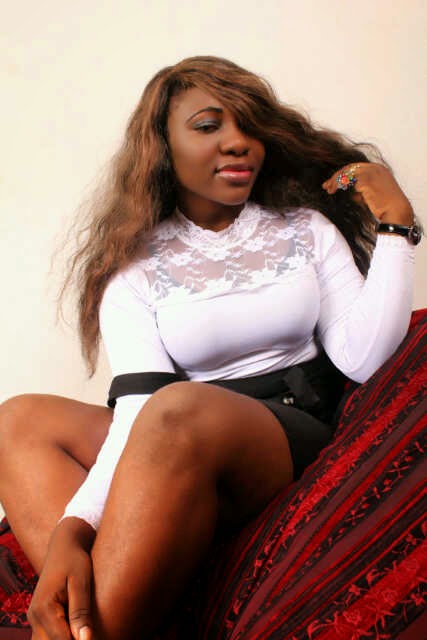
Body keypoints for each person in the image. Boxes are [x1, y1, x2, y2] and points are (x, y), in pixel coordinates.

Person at [0, 56, 419, 640]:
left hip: (281, 429)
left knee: (180, 408)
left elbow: (365, 359)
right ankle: (93, 619)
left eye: (250, 127)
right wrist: (73, 529)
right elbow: (137, 413)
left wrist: (396, 227)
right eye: (208, 126)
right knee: (17, 421)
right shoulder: (133, 263)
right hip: (169, 436)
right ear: (161, 147)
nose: (238, 142)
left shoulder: (304, 229)